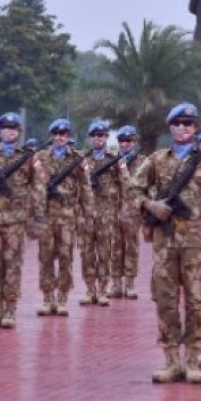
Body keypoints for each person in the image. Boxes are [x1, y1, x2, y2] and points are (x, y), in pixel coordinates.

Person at [129, 103, 201, 384]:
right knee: (165, 300)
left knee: (197, 302)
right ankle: (171, 360)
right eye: (178, 123)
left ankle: (193, 359)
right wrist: (150, 205)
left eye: (189, 124)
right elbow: (132, 189)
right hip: (165, 243)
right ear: (170, 127)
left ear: (195, 128)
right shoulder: (157, 160)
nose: (183, 128)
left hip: (198, 245)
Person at [0, 112, 45, 329]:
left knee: (12, 266)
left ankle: (9, 309)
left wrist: (38, 218)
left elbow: (38, 188)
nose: (9, 132)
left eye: (13, 129)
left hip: (17, 222)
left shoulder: (29, 157)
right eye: (5, 128)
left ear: (19, 133)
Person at [35, 119, 93, 316]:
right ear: (52, 136)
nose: (60, 138)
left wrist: (88, 215)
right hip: (46, 215)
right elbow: (32, 185)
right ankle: (47, 298)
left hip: (68, 217)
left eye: (64, 134)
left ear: (68, 137)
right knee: (45, 258)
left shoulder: (77, 158)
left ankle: (62, 298)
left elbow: (86, 188)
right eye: (56, 134)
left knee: (66, 257)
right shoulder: (40, 158)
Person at [81, 119, 124, 307]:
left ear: (106, 137)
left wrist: (121, 208)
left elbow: (126, 184)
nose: (98, 139)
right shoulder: (82, 159)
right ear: (90, 138)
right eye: (95, 136)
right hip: (86, 214)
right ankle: (90, 289)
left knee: (105, 252)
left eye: (102, 135)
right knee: (87, 253)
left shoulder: (115, 159)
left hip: (107, 212)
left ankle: (103, 289)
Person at [114, 125, 146, 299]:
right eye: (122, 141)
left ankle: (130, 284)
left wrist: (124, 170)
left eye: (129, 140)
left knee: (132, 247)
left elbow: (137, 185)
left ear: (135, 142)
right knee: (115, 248)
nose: (125, 144)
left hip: (132, 211)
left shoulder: (142, 162)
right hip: (113, 210)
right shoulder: (112, 160)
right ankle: (116, 283)